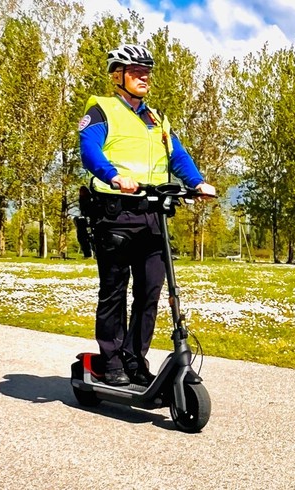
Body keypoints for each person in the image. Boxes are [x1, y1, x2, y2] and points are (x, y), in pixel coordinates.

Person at [78, 44, 215, 386]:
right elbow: (89, 151)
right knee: (114, 290)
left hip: (153, 215)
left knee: (151, 291)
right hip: (116, 215)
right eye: (136, 71)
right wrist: (113, 176)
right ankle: (110, 361)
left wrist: (197, 183)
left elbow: (178, 156)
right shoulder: (102, 111)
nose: (144, 77)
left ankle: (134, 359)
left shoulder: (156, 118)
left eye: (146, 72)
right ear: (117, 76)